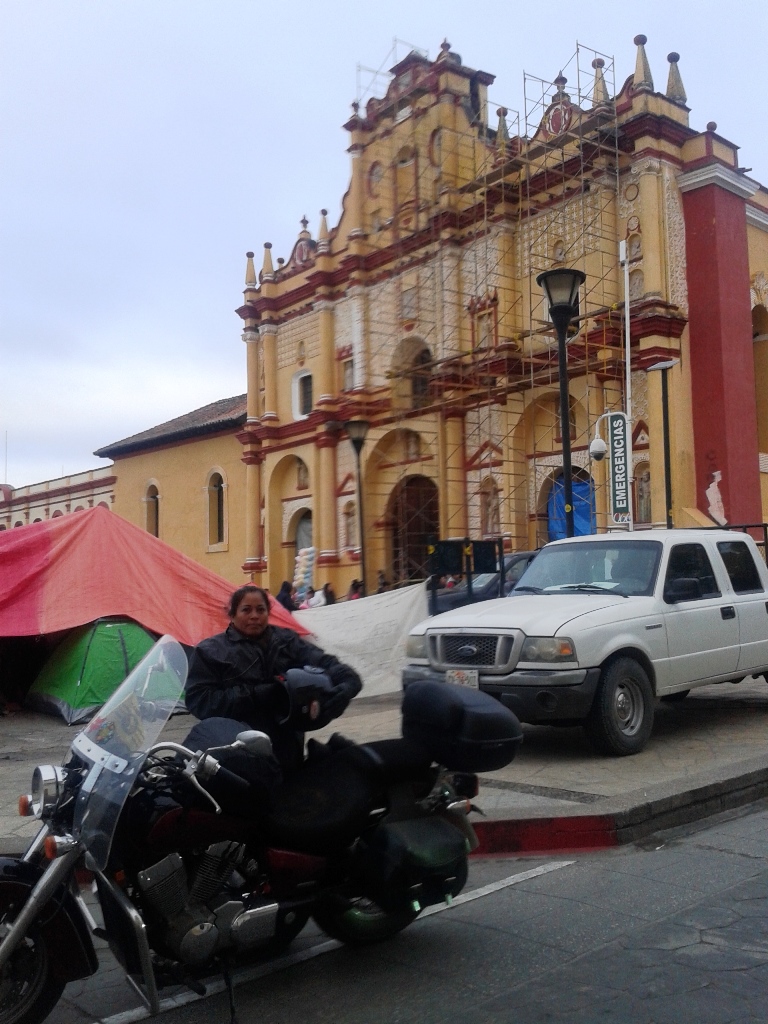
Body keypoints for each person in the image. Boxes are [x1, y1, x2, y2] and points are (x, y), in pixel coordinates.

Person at [185, 585, 362, 772]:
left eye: (260, 610)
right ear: (232, 613)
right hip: (237, 754)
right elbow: (200, 701)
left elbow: (325, 663)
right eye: (246, 610)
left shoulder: (286, 642)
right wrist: (254, 695)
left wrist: (348, 684)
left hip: (287, 748)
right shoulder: (210, 652)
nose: (254, 616)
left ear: (268, 612)